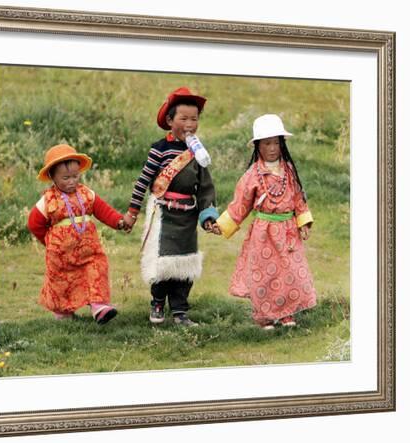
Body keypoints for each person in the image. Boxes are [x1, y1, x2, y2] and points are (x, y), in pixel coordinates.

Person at [123, 87, 219, 327]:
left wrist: (207, 216)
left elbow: (206, 187)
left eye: (194, 119)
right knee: (163, 263)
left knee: (185, 264)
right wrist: (132, 212)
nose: (190, 123)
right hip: (163, 215)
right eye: (183, 118)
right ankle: (157, 302)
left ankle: (180, 311)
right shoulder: (159, 149)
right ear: (169, 120)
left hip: (187, 216)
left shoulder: (197, 152)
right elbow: (143, 181)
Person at [214, 114, 316, 329]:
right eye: (267, 143)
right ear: (257, 146)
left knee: (290, 272)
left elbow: (298, 197)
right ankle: (264, 316)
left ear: (282, 144)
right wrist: (222, 224)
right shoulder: (253, 175)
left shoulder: (289, 171)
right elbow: (240, 203)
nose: (272, 148)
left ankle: (287, 312)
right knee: (265, 276)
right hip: (264, 233)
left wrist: (303, 221)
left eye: (276, 143)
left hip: (288, 232)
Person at [27, 144, 126, 324]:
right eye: (66, 178)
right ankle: (64, 312)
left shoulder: (87, 194)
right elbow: (34, 223)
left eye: (75, 176)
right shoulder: (48, 200)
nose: (72, 181)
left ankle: (99, 306)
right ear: (52, 176)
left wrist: (119, 222)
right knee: (62, 282)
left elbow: (103, 211)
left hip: (89, 250)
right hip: (61, 255)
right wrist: (50, 242)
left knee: (97, 270)